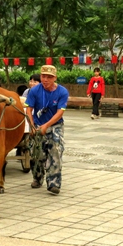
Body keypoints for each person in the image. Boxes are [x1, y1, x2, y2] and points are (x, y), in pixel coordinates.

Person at [25, 65, 69, 195]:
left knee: (55, 150)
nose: (45, 79)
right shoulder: (34, 91)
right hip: (37, 124)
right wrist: (32, 126)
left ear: (54, 78)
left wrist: (47, 125)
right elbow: (29, 109)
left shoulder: (62, 92)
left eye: (49, 77)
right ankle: (37, 178)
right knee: (36, 152)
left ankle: (54, 183)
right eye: (43, 76)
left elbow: (60, 112)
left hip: (55, 125)